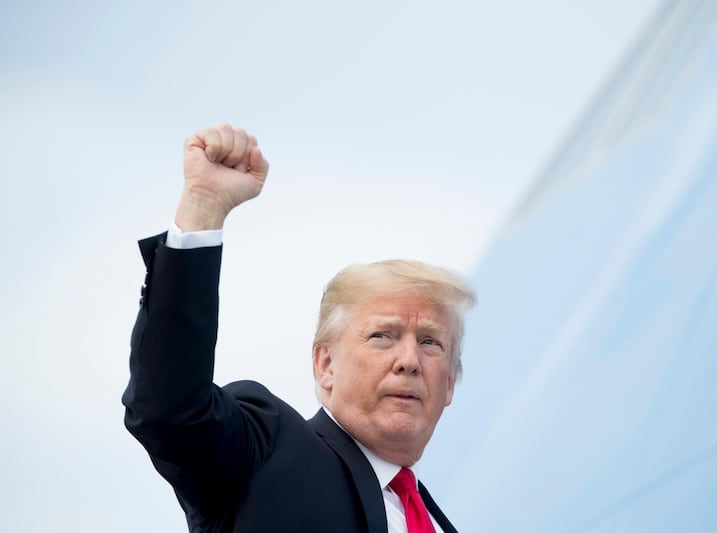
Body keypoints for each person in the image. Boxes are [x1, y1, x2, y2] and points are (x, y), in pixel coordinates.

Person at [123, 123, 475, 532]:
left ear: (449, 383)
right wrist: (202, 208)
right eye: (383, 336)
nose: (409, 361)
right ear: (326, 364)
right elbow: (170, 410)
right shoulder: (266, 450)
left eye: (430, 342)